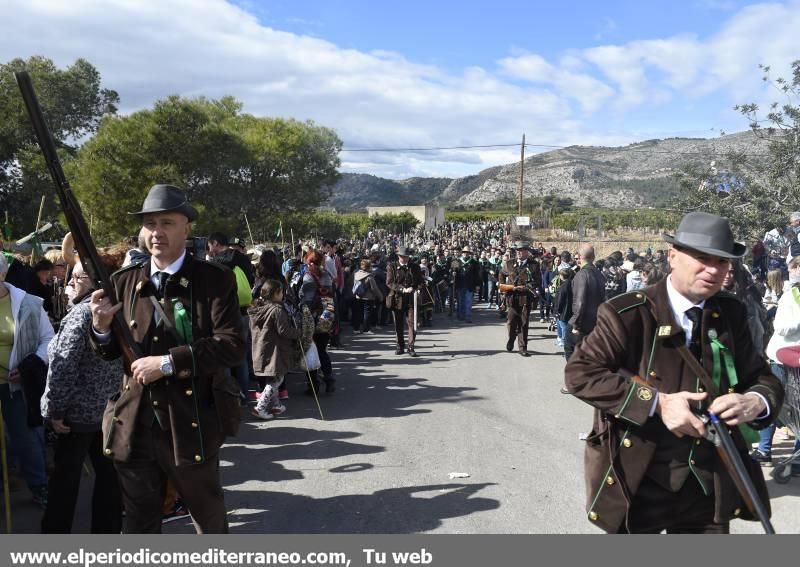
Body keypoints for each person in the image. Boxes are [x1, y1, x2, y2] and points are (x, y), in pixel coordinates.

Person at [565, 211, 784, 533]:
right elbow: (580, 374)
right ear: (673, 257)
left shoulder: (731, 312)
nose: (714, 270)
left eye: (722, 262)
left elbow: (761, 377)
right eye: (701, 258)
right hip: (641, 478)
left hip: (709, 482)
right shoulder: (626, 313)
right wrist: (658, 403)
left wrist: (754, 401)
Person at [89, 184, 244, 533]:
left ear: (187, 227)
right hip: (136, 424)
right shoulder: (124, 282)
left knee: (208, 519)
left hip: (191, 422)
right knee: (140, 524)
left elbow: (231, 345)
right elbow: (111, 352)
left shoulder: (214, 280)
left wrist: (167, 363)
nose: (156, 232)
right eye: (150, 224)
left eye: (167, 223)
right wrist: (100, 327)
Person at [40, 252, 125, 533]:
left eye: (79, 277)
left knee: (66, 483)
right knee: (108, 480)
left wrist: (54, 411)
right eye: (72, 275)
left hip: (77, 415)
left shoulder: (81, 313)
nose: (71, 282)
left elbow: (63, 365)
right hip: (110, 409)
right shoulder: (118, 307)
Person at [0, 252, 54, 509]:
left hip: (16, 384)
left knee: (25, 436)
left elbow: (48, 340)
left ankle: (39, 485)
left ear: (3, 274)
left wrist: (32, 363)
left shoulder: (29, 303)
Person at [753, 256, 800, 472]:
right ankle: (764, 450)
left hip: (798, 363)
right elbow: (781, 327)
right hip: (782, 359)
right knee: (773, 403)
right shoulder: (792, 296)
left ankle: (797, 456)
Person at [249, 279, 298, 420]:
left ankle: (276, 405)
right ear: (276, 294)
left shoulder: (258, 307)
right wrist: (297, 333)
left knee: (273, 376)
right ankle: (260, 407)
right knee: (277, 378)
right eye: (281, 292)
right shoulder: (277, 310)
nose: (283, 294)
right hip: (275, 349)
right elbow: (284, 331)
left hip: (262, 347)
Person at [498, 243, 540, 356]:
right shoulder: (509, 263)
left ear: (527, 252)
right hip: (512, 296)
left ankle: (523, 347)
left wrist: (530, 286)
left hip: (525, 297)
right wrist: (502, 287)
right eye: (517, 250)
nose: (518, 252)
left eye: (521, 250)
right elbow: (501, 273)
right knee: (511, 322)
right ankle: (511, 339)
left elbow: (538, 281)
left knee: (524, 323)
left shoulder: (534, 265)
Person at [565, 244, 605, 360]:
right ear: (593, 257)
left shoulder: (582, 274)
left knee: (573, 357)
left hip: (581, 325)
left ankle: (575, 378)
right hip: (594, 323)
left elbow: (580, 302)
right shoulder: (599, 274)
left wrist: (576, 325)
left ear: (580, 256)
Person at [386, 247, 423, 357]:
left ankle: (411, 347)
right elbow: (389, 282)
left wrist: (416, 288)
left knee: (412, 323)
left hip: (411, 298)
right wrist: (402, 289)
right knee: (398, 324)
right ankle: (400, 346)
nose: (404, 259)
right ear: (398, 256)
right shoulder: (391, 266)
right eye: (402, 256)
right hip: (397, 299)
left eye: (406, 257)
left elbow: (420, 281)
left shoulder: (415, 267)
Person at [352, 259, 384, 334]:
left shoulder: (356, 274)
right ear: (369, 267)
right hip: (368, 297)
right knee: (367, 313)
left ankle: (356, 329)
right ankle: (366, 329)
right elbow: (374, 288)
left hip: (358, 296)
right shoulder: (369, 277)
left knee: (358, 313)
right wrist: (380, 296)